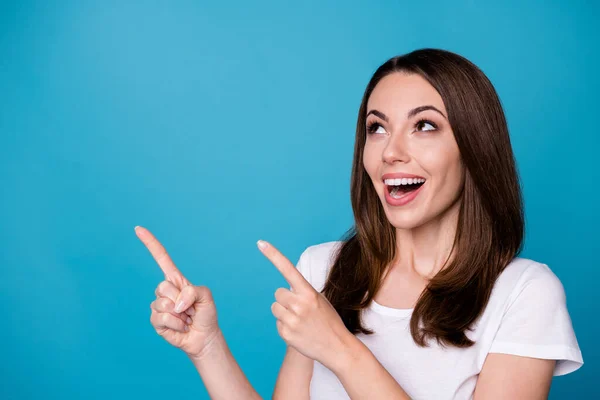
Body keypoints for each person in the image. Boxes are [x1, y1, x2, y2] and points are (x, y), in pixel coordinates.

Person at [135, 48, 583, 399]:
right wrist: (208, 346)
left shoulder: (525, 294)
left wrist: (342, 351)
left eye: (425, 126)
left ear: (475, 149)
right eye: (377, 128)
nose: (391, 152)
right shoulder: (323, 269)